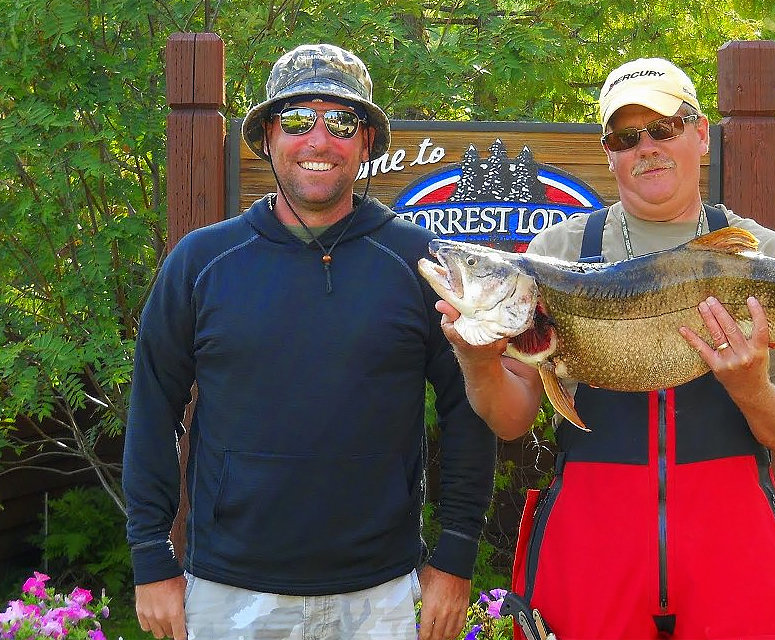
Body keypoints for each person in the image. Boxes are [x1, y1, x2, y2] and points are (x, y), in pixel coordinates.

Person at [436, 57, 775, 639]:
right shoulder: (558, 252)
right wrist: (475, 358)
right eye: (626, 136)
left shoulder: (762, 255)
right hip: (592, 542)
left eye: (663, 128)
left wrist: (751, 388)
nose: (647, 147)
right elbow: (513, 419)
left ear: (699, 134)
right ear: (609, 152)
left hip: (731, 547)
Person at [123, 43, 496, 640]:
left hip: (382, 593)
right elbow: (151, 412)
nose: (318, 140)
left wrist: (455, 554)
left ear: (367, 141)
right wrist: (150, 556)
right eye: (298, 120)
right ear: (268, 136)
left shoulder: (419, 263)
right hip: (229, 593)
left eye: (341, 121)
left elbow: (469, 410)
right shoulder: (202, 263)